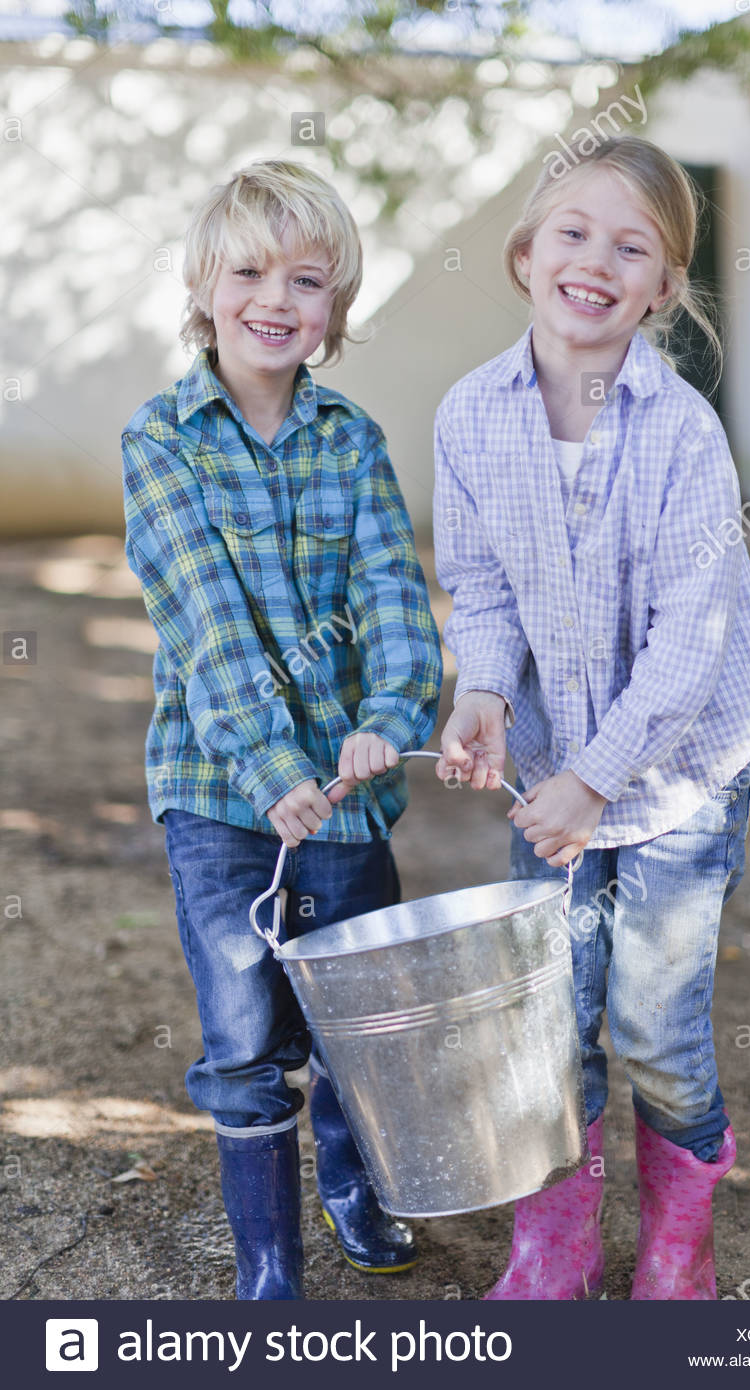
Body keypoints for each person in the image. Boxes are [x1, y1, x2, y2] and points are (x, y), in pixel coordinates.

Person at [433, 135, 750, 1300]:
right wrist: (481, 688)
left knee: (654, 1025)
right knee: (550, 1018)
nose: (596, 260)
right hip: (545, 773)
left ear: (662, 288)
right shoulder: (469, 416)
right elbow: (478, 589)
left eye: (631, 247)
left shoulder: (682, 434)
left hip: (679, 767)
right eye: (572, 233)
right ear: (527, 255)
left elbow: (692, 642)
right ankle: (556, 1244)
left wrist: (596, 779)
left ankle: (680, 1240)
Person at [122, 159, 442, 1299]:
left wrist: (386, 717)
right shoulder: (161, 440)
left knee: (357, 1022)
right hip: (219, 794)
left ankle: (355, 1188)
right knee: (245, 1033)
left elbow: (394, 595)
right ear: (204, 289)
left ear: (335, 310)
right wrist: (268, 766)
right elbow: (202, 621)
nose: (276, 297)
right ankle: (269, 1263)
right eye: (248, 270)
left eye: (307, 279)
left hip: (345, 800)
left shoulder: (351, 440)